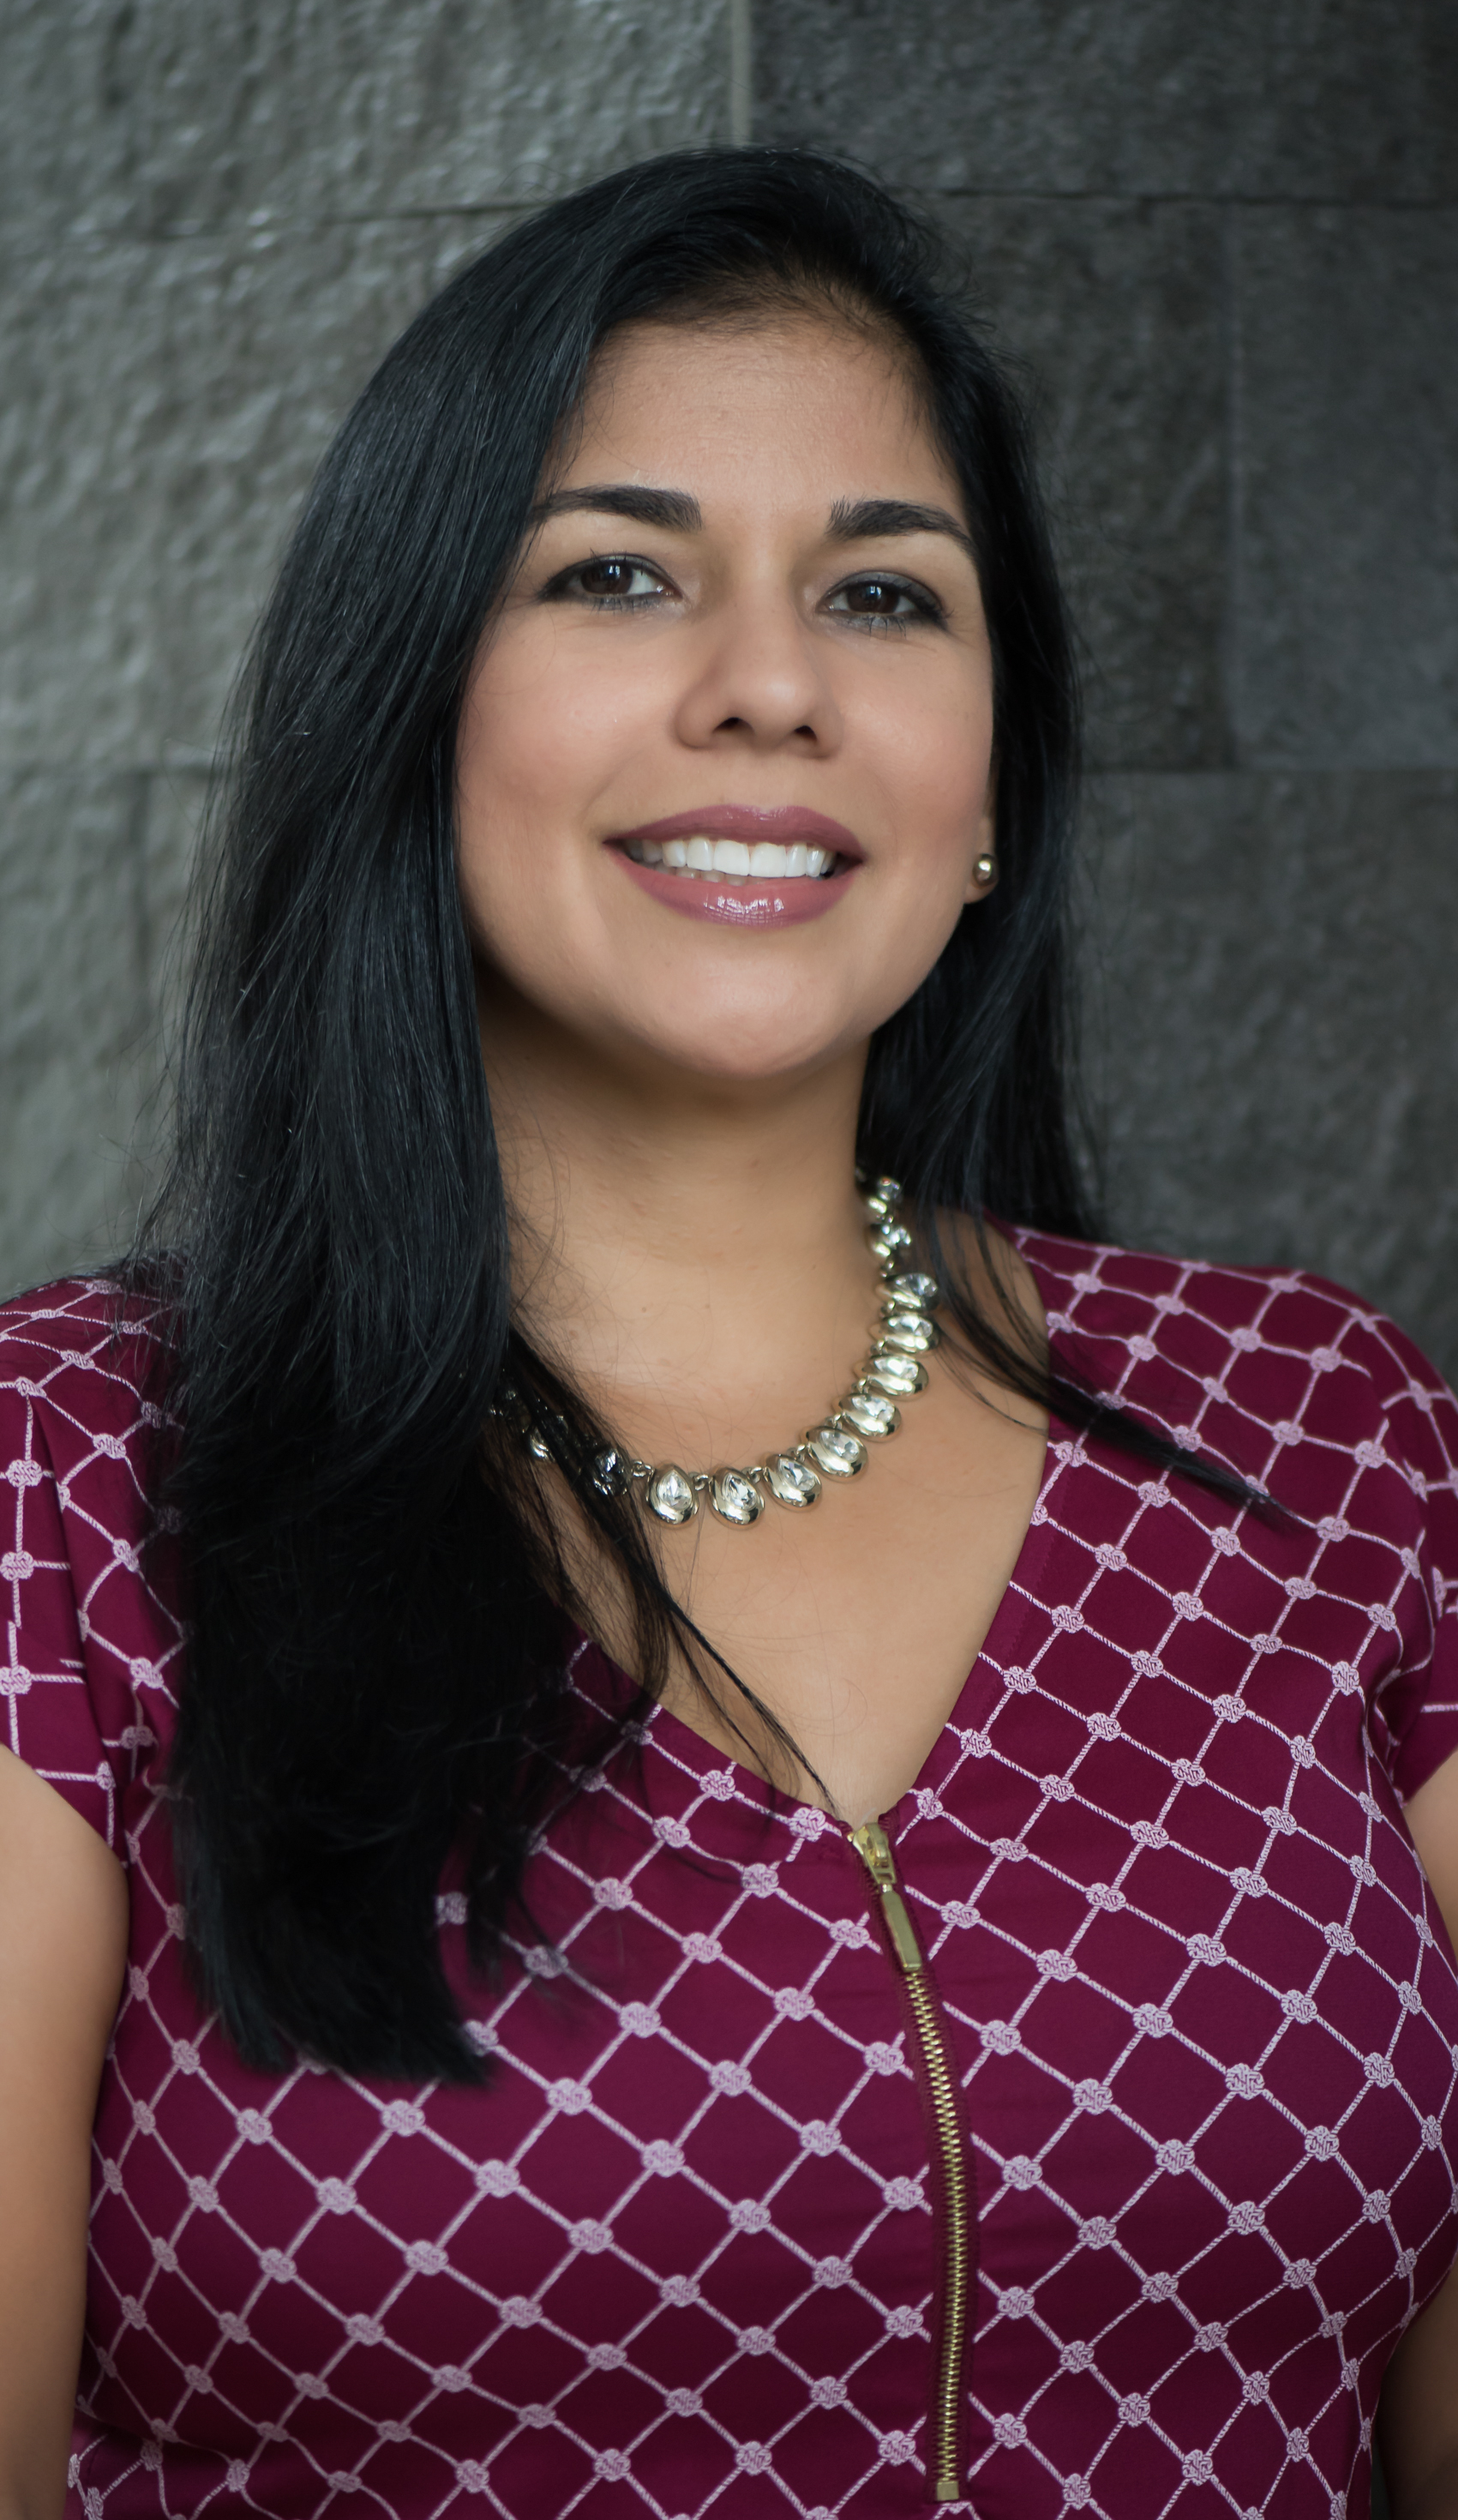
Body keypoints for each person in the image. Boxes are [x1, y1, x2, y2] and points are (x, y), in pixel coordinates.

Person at [2, 145, 1456, 2520]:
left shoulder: (1321, 1437)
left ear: (994, 774)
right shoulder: (57, 1492)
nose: (772, 685)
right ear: (416, 703)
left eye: (887, 593)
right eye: (615, 573)